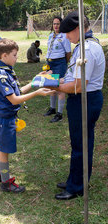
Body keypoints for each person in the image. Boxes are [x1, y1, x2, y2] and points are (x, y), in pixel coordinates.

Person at [0, 39, 55, 193]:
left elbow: (17, 91)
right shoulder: (1, 75)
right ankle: (6, 183)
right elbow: (14, 99)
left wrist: (34, 82)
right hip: (5, 118)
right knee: (4, 151)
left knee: (1, 146)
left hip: (4, 116)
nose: (16, 58)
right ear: (4, 55)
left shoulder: (5, 70)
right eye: (14, 55)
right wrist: (37, 93)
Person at [52, 12, 105, 200]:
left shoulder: (87, 49)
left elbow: (79, 85)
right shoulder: (83, 46)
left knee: (81, 145)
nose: (66, 36)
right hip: (81, 99)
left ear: (77, 29)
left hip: (85, 99)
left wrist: (54, 86)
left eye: (68, 32)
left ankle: (76, 187)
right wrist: (55, 80)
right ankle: (74, 179)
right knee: (78, 142)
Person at [44, 17, 71, 123]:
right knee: (51, 85)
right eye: (54, 24)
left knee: (60, 87)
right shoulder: (51, 35)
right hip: (50, 63)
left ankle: (59, 114)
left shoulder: (64, 36)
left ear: (62, 25)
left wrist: (63, 63)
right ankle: (52, 108)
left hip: (60, 63)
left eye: (58, 24)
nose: (56, 26)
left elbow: (68, 53)